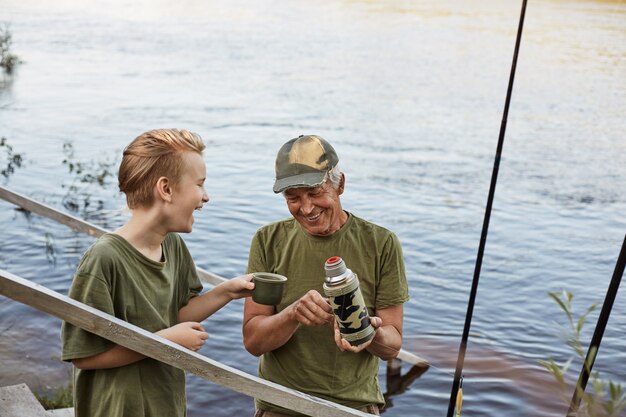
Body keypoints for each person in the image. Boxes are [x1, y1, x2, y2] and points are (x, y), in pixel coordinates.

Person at [61, 128, 254, 417]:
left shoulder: (173, 245)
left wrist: (226, 291)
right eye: (200, 184)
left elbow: (175, 315)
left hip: (164, 403)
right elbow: (84, 356)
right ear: (165, 189)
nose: (206, 197)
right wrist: (165, 341)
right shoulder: (104, 259)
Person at [243, 134, 409, 416]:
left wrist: (368, 330)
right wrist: (293, 314)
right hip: (280, 404)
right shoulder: (267, 240)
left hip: (355, 406)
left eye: (316, 193)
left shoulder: (381, 243)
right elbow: (254, 342)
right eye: (293, 198)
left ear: (340, 184)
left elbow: (392, 346)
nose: (306, 208)